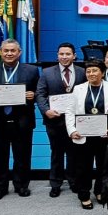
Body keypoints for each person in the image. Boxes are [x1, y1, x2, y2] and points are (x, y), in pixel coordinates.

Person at [0, 39, 39, 202]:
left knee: (23, 155)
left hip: (22, 119)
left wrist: (33, 95)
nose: (9, 53)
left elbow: (40, 92)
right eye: (6, 51)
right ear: (1, 52)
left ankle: (21, 185)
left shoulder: (32, 71)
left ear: (20, 52)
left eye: (13, 51)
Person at [65, 60, 108, 209]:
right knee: (83, 166)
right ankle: (84, 194)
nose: (91, 74)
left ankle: (100, 191)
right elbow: (70, 111)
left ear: (102, 72)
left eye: (95, 71)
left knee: (103, 166)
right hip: (83, 135)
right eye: (88, 71)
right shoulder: (78, 89)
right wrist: (72, 130)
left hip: (105, 135)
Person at [36, 42, 86, 197]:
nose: (64, 57)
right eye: (61, 54)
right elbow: (40, 94)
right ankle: (55, 183)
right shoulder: (47, 72)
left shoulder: (82, 72)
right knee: (56, 152)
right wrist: (46, 111)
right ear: (57, 55)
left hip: (76, 121)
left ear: (74, 56)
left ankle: (73, 181)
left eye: (68, 54)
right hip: (54, 120)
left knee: (74, 153)